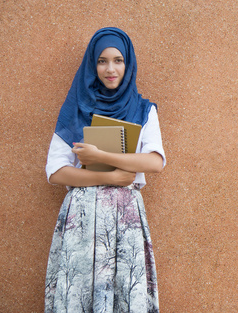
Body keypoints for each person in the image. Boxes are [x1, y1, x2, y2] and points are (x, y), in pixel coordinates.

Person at [44, 27, 165, 313]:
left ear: (128, 64)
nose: (110, 68)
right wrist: (109, 176)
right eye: (102, 61)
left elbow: (155, 162)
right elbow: (55, 171)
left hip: (126, 220)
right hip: (82, 219)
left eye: (118, 60)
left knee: (125, 296)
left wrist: (103, 155)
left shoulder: (144, 110)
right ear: (92, 65)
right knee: (80, 298)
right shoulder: (75, 108)